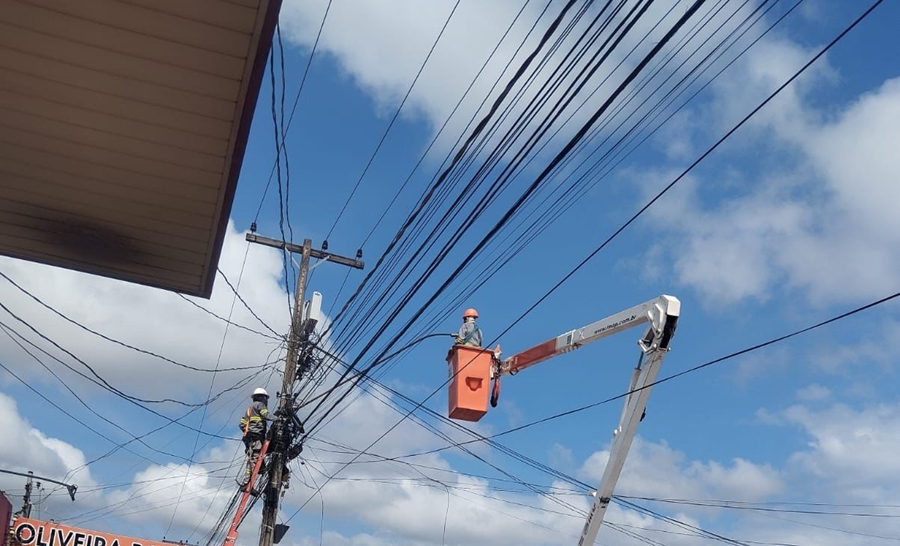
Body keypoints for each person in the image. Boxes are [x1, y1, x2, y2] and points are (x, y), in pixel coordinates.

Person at [238, 387, 277, 487]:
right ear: (262, 397)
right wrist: (278, 418)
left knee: (253, 456)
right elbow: (266, 415)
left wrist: (248, 431)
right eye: (265, 398)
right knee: (255, 457)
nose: (266, 401)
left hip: (248, 437)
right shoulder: (260, 405)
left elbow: (241, 424)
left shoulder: (249, 409)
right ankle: (246, 481)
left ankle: (261, 469)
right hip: (256, 435)